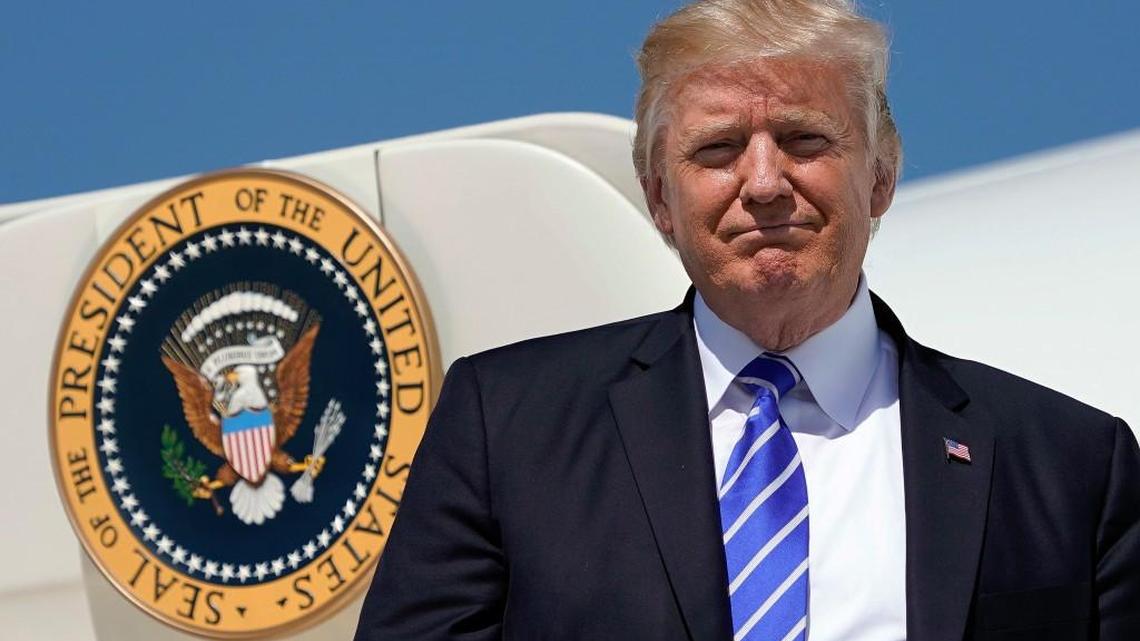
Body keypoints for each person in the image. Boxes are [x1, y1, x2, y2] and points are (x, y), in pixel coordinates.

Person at [354, 1, 1140, 639]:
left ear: (881, 178)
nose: (764, 183)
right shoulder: (508, 425)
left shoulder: (1072, 464)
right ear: (660, 198)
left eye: (804, 139)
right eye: (719, 149)